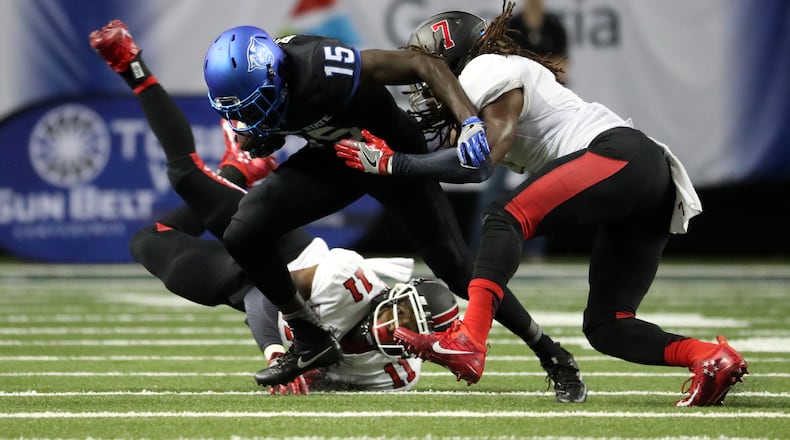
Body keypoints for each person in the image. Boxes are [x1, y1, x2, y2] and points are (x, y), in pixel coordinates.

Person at [90, 18, 585, 402]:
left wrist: (469, 122)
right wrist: (263, 135)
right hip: (338, 158)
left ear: (275, 74)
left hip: (390, 157)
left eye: (255, 101)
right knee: (244, 233)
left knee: (458, 269)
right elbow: (268, 129)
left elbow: (422, 65)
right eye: (238, 108)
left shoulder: (320, 65)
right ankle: (308, 334)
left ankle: (552, 353)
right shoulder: (266, 91)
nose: (249, 116)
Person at [334, 4, 748, 407]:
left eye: (427, 71)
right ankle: (708, 358)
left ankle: (469, 339)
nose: (423, 86)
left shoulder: (485, 68)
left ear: (452, 57)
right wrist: (397, 158)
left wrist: (395, 164)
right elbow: (461, 159)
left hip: (619, 155)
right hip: (647, 178)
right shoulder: (490, 81)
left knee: (503, 217)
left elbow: (481, 160)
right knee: (608, 326)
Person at [469, 0, 568, 253]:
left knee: (542, 187)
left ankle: (535, 251)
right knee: (491, 181)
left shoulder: (554, 25)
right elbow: (504, 66)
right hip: (510, 112)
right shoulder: (513, 25)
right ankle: (480, 247)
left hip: (542, 118)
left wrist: (531, 72)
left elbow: (562, 69)